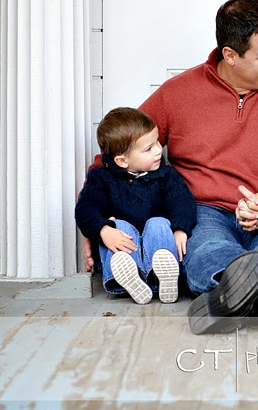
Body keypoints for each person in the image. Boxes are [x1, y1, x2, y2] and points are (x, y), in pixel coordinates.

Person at [118, 0, 258, 333]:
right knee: (207, 250)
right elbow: (122, 149)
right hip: (204, 209)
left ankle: (235, 295)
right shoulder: (178, 93)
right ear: (230, 55)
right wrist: (96, 220)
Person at [75, 107, 197, 304]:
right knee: (118, 226)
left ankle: (163, 276)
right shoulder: (101, 178)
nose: (159, 150)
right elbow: (85, 209)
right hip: (125, 242)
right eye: (149, 149)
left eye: (157, 142)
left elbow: (183, 202)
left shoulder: (165, 175)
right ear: (122, 161)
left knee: (159, 223)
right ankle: (130, 276)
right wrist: (102, 229)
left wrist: (181, 228)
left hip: (155, 242)